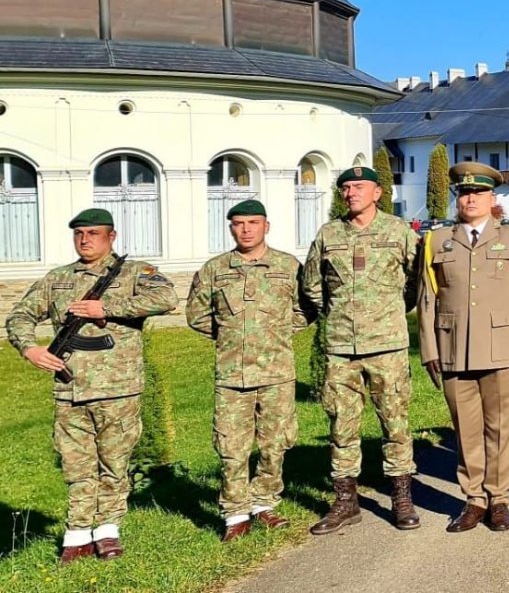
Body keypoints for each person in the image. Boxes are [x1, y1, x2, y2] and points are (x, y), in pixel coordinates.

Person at [5, 208, 176, 563]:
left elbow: (166, 299)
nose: (85, 240)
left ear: (111, 237)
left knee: (114, 462)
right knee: (76, 465)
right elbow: (20, 315)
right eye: (79, 233)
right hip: (70, 390)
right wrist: (30, 348)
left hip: (118, 388)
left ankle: (108, 530)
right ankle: (78, 534)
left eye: (93, 233)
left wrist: (106, 308)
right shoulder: (58, 278)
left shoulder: (134, 273)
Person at [302, 165, 422, 534]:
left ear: (377, 193)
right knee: (342, 426)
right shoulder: (329, 234)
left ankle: (401, 498)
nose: (352, 193)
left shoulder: (398, 231)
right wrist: (341, 313)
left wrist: (389, 311)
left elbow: (416, 281)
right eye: (347, 188)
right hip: (341, 348)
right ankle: (345, 501)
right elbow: (312, 286)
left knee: (395, 423)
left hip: (388, 345)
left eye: (359, 187)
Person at [418, 162, 509, 533]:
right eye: (464, 193)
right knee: (465, 429)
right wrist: (429, 348)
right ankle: (474, 499)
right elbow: (427, 298)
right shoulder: (437, 240)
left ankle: (499, 499)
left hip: (501, 349)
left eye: (478, 193)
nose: (470, 199)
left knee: (499, 428)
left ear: (491, 197)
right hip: (453, 348)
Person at [186, 199, 308, 541]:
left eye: (253, 223)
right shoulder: (215, 269)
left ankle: (264, 502)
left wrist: (274, 333)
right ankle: (235, 513)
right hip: (232, 375)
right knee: (231, 446)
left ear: (266, 226)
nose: (246, 229)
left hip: (277, 372)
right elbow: (196, 315)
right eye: (239, 224)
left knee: (275, 443)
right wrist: (231, 335)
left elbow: (305, 309)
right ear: (231, 228)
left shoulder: (287, 266)